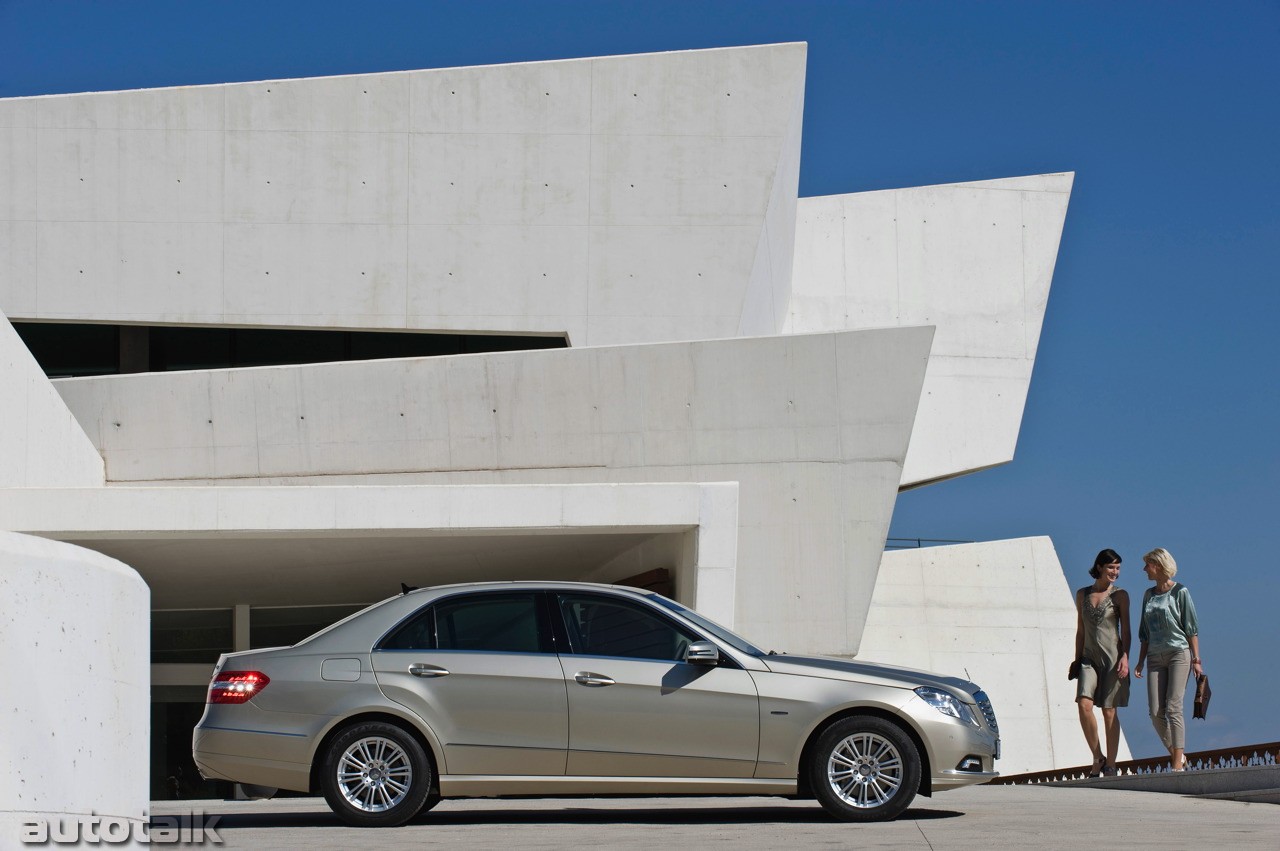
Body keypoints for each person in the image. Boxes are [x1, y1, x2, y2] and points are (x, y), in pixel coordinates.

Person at [1134, 547, 1202, 771]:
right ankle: (1178, 754)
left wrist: (1196, 659)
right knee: (1155, 712)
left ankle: (1177, 765)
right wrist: (1140, 660)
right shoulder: (1148, 595)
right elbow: (1144, 631)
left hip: (1178, 654)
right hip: (1154, 656)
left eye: (1148, 565)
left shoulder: (1180, 592)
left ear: (1159, 565)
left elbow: (1191, 627)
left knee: (1173, 707)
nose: (1144, 569)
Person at [1073, 548, 1130, 776]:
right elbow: (1080, 630)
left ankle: (1111, 763)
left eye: (1117, 568)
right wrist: (1077, 660)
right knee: (1083, 705)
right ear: (1099, 567)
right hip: (1088, 658)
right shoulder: (1082, 594)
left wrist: (1126, 657)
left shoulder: (1120, 595)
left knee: (1109, 711)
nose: (1115, 572)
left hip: (1113, 658)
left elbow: (1125, 631)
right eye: (1111, 567)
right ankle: (1097, 756)